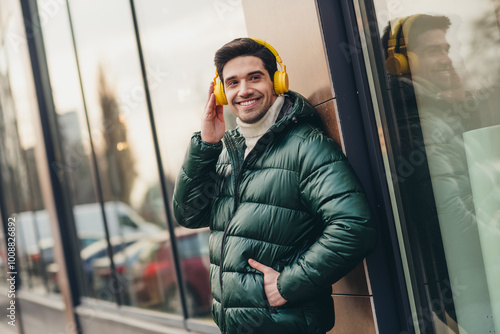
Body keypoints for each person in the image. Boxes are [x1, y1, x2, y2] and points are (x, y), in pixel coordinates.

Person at [173, 37, 377, 334]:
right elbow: (188, 214)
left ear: (277, 81)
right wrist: (205, 145)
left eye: (254, 77)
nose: (243, 91)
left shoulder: (306, 146)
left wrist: (287, 284)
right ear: (221, 92)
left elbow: (354, 226)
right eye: (232, 83)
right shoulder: (227, 152)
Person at [382, 14, 495, 332]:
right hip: (473, 286)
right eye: (434, 51)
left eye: (447, 50)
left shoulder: (436, 111)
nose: (447, 59)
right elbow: (450, 216)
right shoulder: (415, 124)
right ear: (400, 63)